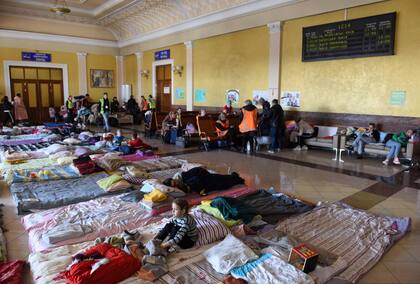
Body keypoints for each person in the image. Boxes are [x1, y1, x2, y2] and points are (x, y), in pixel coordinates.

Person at [163, 167, 245, 195]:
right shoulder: (180, 185)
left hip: (203, 175)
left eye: (174, 182)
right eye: (174, 185)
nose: (176, 183)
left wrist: (200, 190)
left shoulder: (182, 178)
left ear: (173, 179)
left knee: (221, 181)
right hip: (203, 180)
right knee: (221, 182)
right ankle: (235, 177)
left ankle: (237, 179)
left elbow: (196, 180)